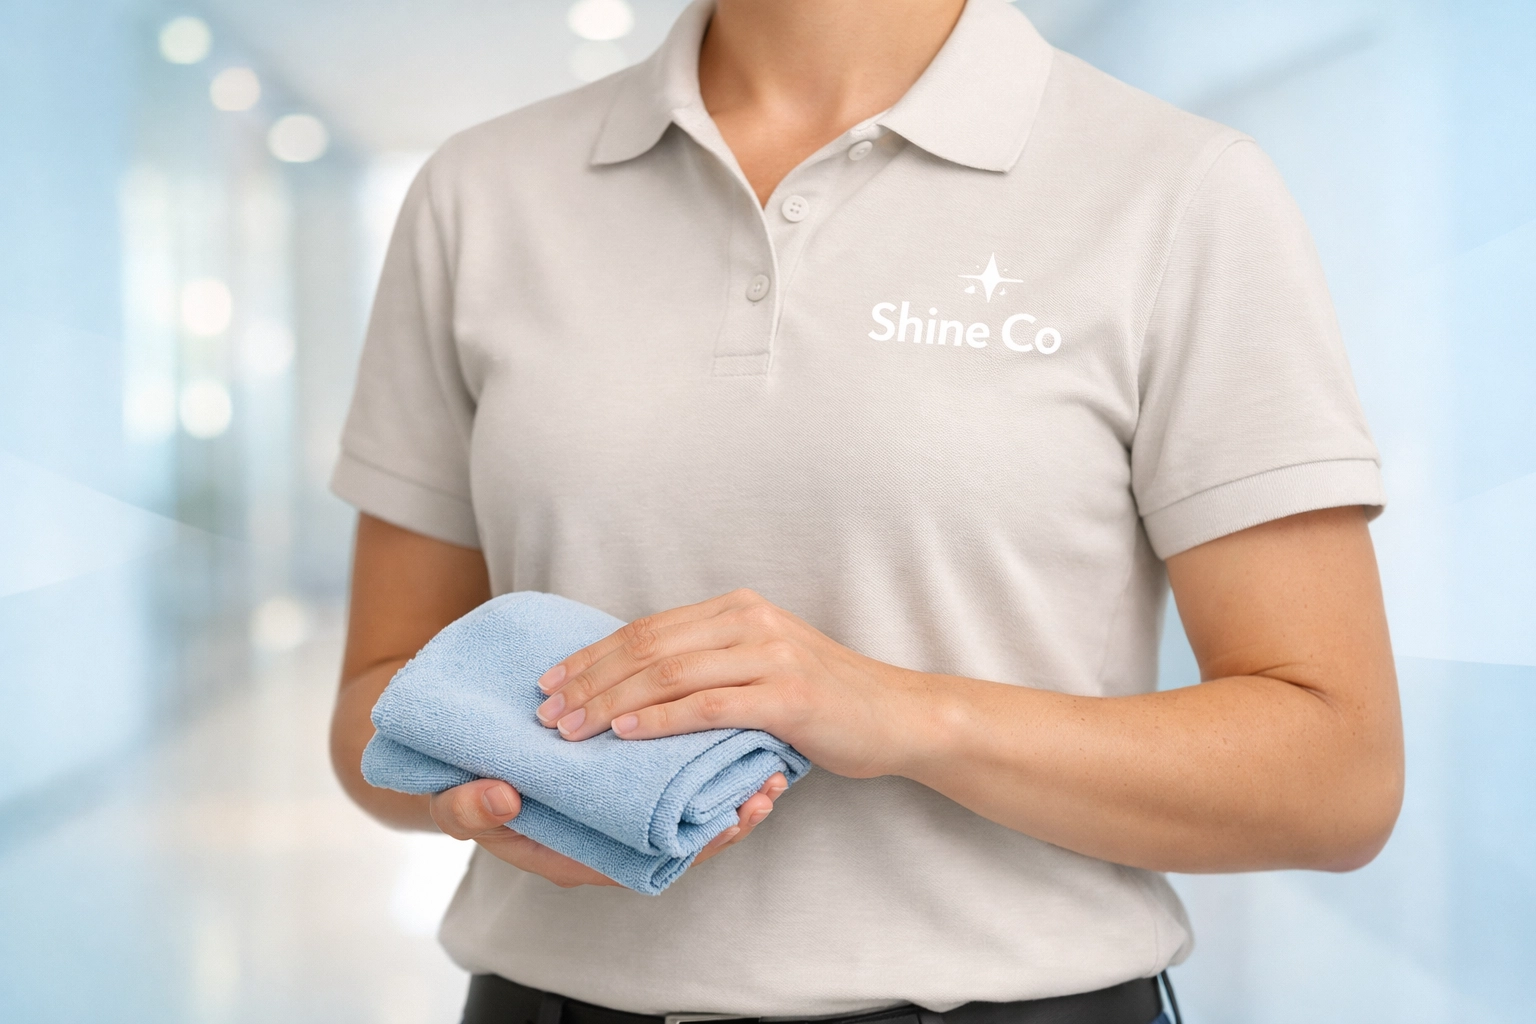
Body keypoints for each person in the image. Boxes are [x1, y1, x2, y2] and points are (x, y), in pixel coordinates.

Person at [329, 0, 1403, 1021]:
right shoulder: (481, 190)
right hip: (549, 1004)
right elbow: (373, 712)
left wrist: (901, 714)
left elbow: (1337, 773)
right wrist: (489, 791)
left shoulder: (1176, 189)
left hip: (1019, 1013)